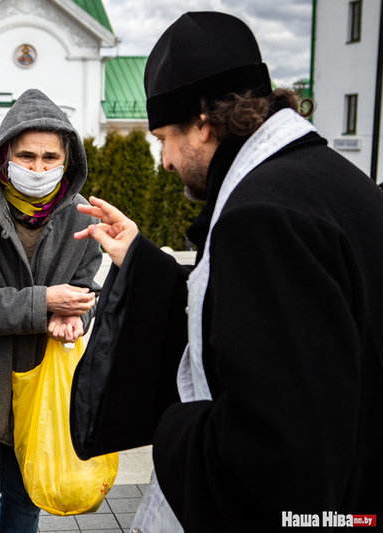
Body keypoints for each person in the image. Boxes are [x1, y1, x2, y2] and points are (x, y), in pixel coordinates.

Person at [69, 11, 383, 531]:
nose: (164, 162)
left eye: (163, 138)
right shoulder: (323, 180)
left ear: (203, 121)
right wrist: (145, 263)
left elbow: (278, 453)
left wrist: (175, 426)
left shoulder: (261, 219)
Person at [0, 88, 102, 532]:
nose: (38, 168)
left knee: (28, 500)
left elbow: (86, 292)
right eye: (26, 155)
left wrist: (73, 318)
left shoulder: (83, 217)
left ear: (68, 160)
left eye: (50, 157)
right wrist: (45, 301)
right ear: (3, 155)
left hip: (43, 385)